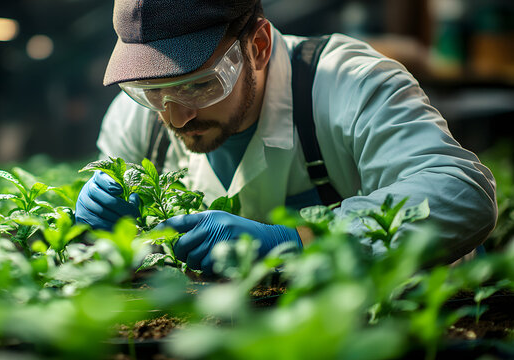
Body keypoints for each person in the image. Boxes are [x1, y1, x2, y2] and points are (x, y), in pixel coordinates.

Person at [75, 0, 497, 273]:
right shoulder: (140, 118)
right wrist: (102, 232)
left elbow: (463, 194)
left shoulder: (349, 84)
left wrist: (301, 241)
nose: (176, 116)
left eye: (198, 85)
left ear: (258, 45)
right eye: (152, 90)